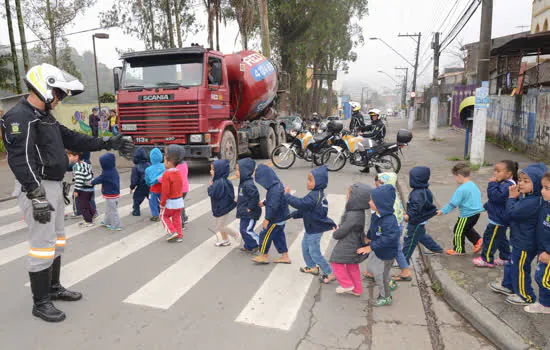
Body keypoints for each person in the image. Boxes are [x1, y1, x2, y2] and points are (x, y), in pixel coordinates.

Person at [0, 63, 133, 322]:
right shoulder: (19, 116)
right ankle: (40, 302)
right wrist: (34, 193)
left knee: (57, 239)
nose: (60, 99)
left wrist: (108, 142)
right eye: (58, 93)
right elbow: (19, 159)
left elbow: (73, 138)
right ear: (44, 87)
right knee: (42, 244)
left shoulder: (45, 116)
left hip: (52, 185)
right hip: (36, 187)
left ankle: (53, 287)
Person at [490, 163, 547, 306]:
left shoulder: (533, 201)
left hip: (525, 243)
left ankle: (525, 295)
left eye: (526, 181)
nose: (520, 184)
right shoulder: (527, 197)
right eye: (520, 180)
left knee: (520, 268)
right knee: (512, 263)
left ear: (537, 184)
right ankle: (508, 285)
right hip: (519, 239)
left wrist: (511, 197)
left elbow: (511, 213)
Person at [286, 166, 337, 284]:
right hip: (311, 227)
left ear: (319, 182)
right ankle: (312, 267)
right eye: (308, 179)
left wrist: (287, 196)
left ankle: (329, 272)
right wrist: (293, 215)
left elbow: (300, 203)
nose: (307, 182)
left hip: (315, 229)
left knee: (314, 252)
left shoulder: (315, 196)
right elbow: (306, 210)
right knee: (305, 247)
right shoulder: (315, 194)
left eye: (310, 180)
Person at [364, 173, 414, 282]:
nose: (377, 185)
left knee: (391, 247)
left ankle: (403, 272)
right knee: (393, 248)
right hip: (395, 226)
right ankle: (374, 271)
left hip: (391, 228)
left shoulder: (386, 201)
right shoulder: (391, 195)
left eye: (381, 183)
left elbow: (389, 219)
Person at [357, 185, 400, 306]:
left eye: (372, 200)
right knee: (371, 268)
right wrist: (368, 238)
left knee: (381, 276)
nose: (369, 202)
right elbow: (373, 228)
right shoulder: (376, 214)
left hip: (386, 254)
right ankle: (388, 280)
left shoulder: (390, 221)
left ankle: (385, 296)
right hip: (377, 249)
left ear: (381, 203)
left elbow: (390, 238)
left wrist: (370, 247)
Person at [473, 161, 518, 268]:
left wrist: (492, 184)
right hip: (498, 217)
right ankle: (505, 257)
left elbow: (495, 197)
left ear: (508, 174)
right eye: (495, 171)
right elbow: (494, 202)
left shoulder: (508, 185)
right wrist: (486, 206)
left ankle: (487, 259)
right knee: (501, 238)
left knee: (490, 239)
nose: (495, 174)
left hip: (499, 219)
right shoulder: (503, 183)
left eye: (498, 171)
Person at [329, 183, 372, 296]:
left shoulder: (353, 213)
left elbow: (344, 229)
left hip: (348, 242)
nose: (347, 197)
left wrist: (336, 233)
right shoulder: (359, 211)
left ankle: (347, 284)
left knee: (335, 262)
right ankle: (357, 289)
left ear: (356, 198)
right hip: (355, 241)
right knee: (352, 265)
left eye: (349, 195)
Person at [437, 162, 484, 255]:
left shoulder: (461, 189)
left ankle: (458, 249)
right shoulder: (473, 185)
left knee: (458, 230)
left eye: (455, 176)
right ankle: (478, 241)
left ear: (459, 176)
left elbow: (453, 204)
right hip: (477, 213)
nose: (455, 179)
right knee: (467, 229)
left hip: (466, 214)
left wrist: (443, 211)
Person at [402, 167, 444, 263]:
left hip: (416, 220)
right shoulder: (423, 190)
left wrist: (409, 215)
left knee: (410, 240)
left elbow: (417, 207)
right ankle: (436, 248)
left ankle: (403, 261)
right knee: (421, 235)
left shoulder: (418, 193)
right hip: (420, 219)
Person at [253, 164, 291, 264]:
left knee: (264, 235)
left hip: (275, 218)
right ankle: (285, 256)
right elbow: (275, 200)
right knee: (278, 237)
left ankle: (264, 256)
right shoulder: (277, 185)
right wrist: (264, 203)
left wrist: (267, 219)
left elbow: (273, 205)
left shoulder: (274, 190)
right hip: (281, 217)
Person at [526, 171, 550, 314]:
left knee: (542, 278)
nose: (542, 191)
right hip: (543, 250)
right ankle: (545, 305)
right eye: (542, 187)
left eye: (547, 188)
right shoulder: (546, 205)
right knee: (541, 277)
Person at [208, 159, 238, 247]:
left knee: (221, 226)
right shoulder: (223, 180)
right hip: (224, 206)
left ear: (219, 171)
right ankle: (225, 240)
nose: (210, 171)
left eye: (213, 169)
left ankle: (236, 235)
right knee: (219, 224)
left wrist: (210, 187)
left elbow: (213, 193)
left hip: (222, 207)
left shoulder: (218, 182)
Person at [159, 145, 189, 228]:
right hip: (183, 189)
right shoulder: (182, 164)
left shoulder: (178, 167)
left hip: (179, 190)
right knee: (180, 204)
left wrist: (159, 180)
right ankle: (184, 217)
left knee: (178, 207)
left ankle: (181, 223)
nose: (165, 156)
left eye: (167, 154)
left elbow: (169, 177)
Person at [236, 158, 261, 252]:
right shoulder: (243, 182)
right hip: (244, 212)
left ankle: (259, 243)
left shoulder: (248, 184)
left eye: (238, 170)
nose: (236, 172)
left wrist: (250, 207)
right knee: (243, 229)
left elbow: (255, 196)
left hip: (250, 213)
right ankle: (249, 246)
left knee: (246, 230)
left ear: (245, 171)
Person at [91, 153, 122, 231]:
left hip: (111, 195)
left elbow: (99, 179)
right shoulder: (113, 170)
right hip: (114, 193)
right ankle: (106, 222)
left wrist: (92, 182)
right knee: (109, 209)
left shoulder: (106, 173)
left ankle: (116, 226)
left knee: (112, 211)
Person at [160, 148, 184, 243]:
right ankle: (180, 235)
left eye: (164, 161)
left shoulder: (166, 174)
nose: (163, 163)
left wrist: (162, 203)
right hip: (179, 200)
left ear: (169, 162)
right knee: (177, 218)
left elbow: (165, 191)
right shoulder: (178, 172)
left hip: (170, 201)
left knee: (163, 216)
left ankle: (172, 231)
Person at [67, 150, 96, 228]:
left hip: (83, 189)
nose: (68, 158)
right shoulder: (85, 163)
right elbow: (88, 174)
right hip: (90, 188)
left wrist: (76, 190)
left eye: (69, 156)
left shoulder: (76, 166)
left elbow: (80, 179)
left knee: (83, 206)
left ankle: (88, 221)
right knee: (87, 203)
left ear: (76, 156)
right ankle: (92, 214)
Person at [145, 148, 165, 222]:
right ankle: (166, 213)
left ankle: (155, 215)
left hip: (153, 189)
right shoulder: (164, 166)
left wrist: (148, 183)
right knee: (164, 200)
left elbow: (147, 179)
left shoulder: (148, 169)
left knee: (152, 202)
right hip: (163, 188)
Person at [130, 147, 150, 217]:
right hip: (150, 185)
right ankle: (158, 210)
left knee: (136, 198)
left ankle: (136, 211)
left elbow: (134, 179)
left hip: (141, 186)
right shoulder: (148, 164)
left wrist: (132, 187)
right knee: (151, 199)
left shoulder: (135, 167)